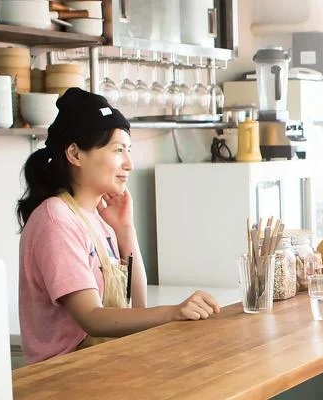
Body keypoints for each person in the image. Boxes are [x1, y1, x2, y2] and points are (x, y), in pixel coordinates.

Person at [17, 88, 221, 364]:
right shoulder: (56, 219)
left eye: (129, 150)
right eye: (118, 150)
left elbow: (138, 304)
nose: (129, 163)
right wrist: (174, 311)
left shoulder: (98, 221)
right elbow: (92, 318)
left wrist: (126, 230)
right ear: (75, 154)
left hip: (101, 367)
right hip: (64, 380)